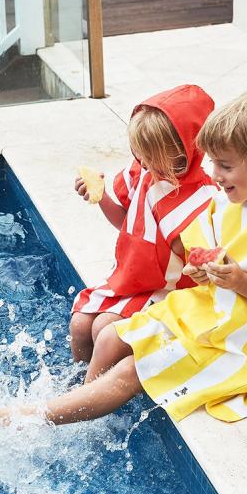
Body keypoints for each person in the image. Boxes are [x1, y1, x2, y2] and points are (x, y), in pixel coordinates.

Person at [0, 85, 247, 427]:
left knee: (130, 371)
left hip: (244, 340)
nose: (214, 175)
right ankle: (80, 404)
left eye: (225, 166)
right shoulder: (229, 202)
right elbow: (197, 261)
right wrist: (204, 271)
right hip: (206, 312)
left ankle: (27, 418)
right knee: (110, 337)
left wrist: (240, 282)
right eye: (214, 164)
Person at [69, 84, 218, 363]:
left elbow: (202, 269)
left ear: (188, 150)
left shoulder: (202, 201)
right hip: (130, 279)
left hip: (167, 292)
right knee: (79, 324)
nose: (145, 164)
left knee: (103, 329)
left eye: (153, 157)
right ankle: (75, 382)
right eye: (140, 154)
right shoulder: (143, 172)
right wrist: (100, 197)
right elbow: (127, 224)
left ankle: (96, 388)